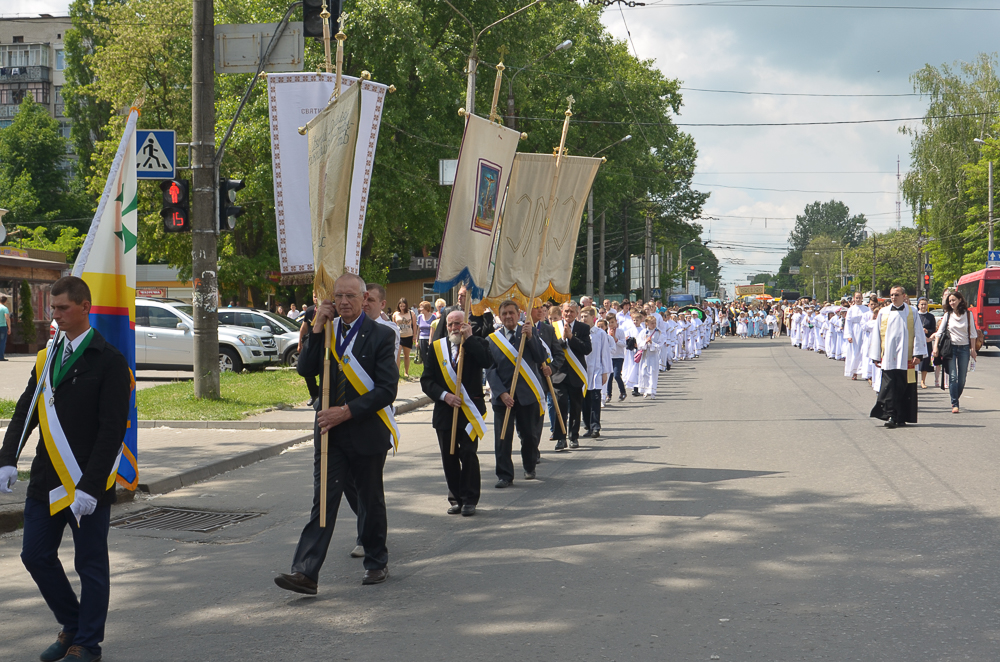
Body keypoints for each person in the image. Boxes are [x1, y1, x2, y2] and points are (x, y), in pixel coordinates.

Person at [0, 276, 131, 662]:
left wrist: (91, 487)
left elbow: (112, 430)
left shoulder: (108, 360)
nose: (54, 315)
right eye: (52, 308)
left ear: (85, 307)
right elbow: (26, 411)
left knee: (89, 564)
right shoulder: (46, 357)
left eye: (61, 308)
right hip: (47, 478)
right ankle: (72, 623)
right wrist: (7, 458)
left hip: (87, 482)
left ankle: (87, 643)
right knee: (35, 555)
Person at [275, 273, 398, 594]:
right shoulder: (326, 332)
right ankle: (305, 572)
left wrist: (346, 411)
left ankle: (376, 561)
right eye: (339, 296)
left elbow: (387, 390)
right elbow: (305, 369)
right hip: (330, 435)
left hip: (367, 432)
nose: (344, 302)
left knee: (370, 501)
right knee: (324, 502)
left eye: (351, 297)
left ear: (364, 300)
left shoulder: (381, 336)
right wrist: (316, 327)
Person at [421, 310, 492, 513]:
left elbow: (487, 362)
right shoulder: (437, 348)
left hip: (470, 411)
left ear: (466, 325)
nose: (454, 328)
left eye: (458, 324)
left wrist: (469, 340)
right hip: (445, 410)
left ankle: (470, 499)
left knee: (468, 453)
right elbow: (427, 380)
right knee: (449, 456)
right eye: (451, 324)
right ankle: (456, 498)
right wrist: (445, 395)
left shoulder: (476, 343)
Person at [486, 301, 547, 486]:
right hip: (504, 397)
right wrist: (501, 393)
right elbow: (489, 369)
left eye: (511, 313)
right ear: (499, 316)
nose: (508, 316)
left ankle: (529, 466)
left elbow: (541, 357)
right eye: (504, 313)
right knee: (502, 437)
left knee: (529, 436)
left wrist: (530, 338)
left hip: (527, 395)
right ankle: (504, 475)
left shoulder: (529, 332)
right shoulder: (492, 340)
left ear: (518, 313)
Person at [869, 286, 928, 429]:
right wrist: (876, 355)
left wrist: (918, 354)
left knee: (904, 387)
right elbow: (877, 334)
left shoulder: (912, 312)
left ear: (904, 295)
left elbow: (919, 333)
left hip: (906, 358)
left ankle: (902, 417)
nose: (893, 297)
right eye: (891, 295)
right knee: (889, 387)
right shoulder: (883, 312)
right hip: (888, 357)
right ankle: (891, 415)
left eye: (896, 294)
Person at [552, 301, 592, 450]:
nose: (568, 314)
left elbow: (587, 349)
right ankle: (560, 438)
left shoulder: (583, 328)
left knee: (576, 406)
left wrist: (571, 338)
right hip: (559, 373)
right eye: (566, 311)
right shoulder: (554, 327)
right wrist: (562, 339)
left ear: (577, 313)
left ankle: (573, 436)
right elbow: (552, 348)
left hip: (576, 372)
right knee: (560, 406)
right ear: (562, 311)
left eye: (572, 312)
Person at [933, 290, 978, 413]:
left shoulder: (968, 315)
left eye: (953, 300)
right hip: (951, 348)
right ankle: (955, 403)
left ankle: (955, 397)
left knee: (962, 378)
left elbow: (973, 334)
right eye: (950, 301)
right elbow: (940, 332)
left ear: (960, 300)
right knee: (953, 377)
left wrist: (973, 350)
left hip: (964, 348)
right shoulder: (948, 315)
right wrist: (935, 347)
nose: (951, 303)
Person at [580, 306, 611, 437]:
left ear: (593, 318)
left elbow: (605, 353)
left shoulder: (600, 333)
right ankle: (588, 425)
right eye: (581, 317)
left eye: (585, 316)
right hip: (583, 371)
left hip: (596, 370)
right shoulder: (580, 333)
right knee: (584, 401)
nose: (583, 319)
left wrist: (605, 372)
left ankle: (596, 426)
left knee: (595, 398)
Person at [843, 292, 870, 380]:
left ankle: (864, 372)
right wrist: (849, 335)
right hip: (855, 331)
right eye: (856, 298)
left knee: (864, 351)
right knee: (855, 352)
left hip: (864, 331)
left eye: (859, 298)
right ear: (854, 298)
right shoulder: (851, 309)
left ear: (862, 298)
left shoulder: (866, 309)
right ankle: (854, 371)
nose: (858, 299)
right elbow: (848, 322)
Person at [298, 294, 319, 406]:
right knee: (306, 369)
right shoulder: (310, 310)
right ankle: (313, 393)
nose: (316, 298)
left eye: (318, 296)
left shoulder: (332, 310)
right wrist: (299, 342)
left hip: (324, 345)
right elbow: (304, 327)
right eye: (314, 296)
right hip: (311, 343)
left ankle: (322, 394)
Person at [636, 314, 662, 398]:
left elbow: (659, 345)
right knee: (644, 373)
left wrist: (652, 343)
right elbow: (639, 343)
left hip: (653, 356)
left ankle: (652, 391)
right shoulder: (643, 332)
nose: (654, 325)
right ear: (647, 323)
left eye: (654, 323)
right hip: (645, 355)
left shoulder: (658, 332)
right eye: (652, 323)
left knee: (653, 372)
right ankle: (645, 389)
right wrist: (645, 342)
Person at [392, 298, 417, 379]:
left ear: (406, 305)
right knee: (398, 355)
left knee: (407, 356)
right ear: (398, 305)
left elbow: (414, 325)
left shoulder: (411, 313)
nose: (402, 307)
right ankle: (397, 372)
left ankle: (406, 372)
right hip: (398, 337)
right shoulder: (395, 314)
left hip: (408, 336)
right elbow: (393, 325)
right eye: (401, 305)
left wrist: (414, 336)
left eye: (404, 305)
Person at [916, 297, 937, 389]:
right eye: (921, 304)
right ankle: (914, 381)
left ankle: (923, 381)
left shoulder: (931, 317)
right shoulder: (915, 315)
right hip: (916, 341)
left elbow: (933, 329)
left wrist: (927, 331)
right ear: (918, 305)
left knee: (925, 362)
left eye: (925, 304)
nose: (923, 306)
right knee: (915, 361)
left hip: (926, 341)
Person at [605, 315, 627, 402]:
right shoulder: (605, 332)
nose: (611, 324)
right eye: (609, 323)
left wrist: (615, 339)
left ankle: (623, 391)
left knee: (617, 375)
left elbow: (624, 344)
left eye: (612, 322)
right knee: (609, 377)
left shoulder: (620, 331)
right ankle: (608, 394)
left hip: (619, 356)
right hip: (609, 356)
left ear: (616, 321)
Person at [0, 292, 9, 360]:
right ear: (5, 301)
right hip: (3, 326)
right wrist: (9, 327)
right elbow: (7, 318)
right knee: (2, 341)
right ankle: (1, 356)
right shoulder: (5, 308)